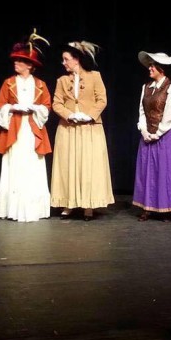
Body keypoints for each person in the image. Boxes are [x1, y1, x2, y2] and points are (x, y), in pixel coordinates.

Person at [0, 29, 52, 222]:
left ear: (29, 65)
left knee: (32, 164)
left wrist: (34, 108)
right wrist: (13, 107)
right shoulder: (8, 83)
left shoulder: (41, 85)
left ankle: (34, 208)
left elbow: (47, 106)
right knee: (15, 164)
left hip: (32, 128)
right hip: (15, 128)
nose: (16, 64)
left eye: (19, 61)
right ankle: (13, 208)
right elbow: (1, 104)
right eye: (15, 61)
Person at [50, 41, 114, 220]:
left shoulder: (95, 76)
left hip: (90, 129)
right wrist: (69, 115)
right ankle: (69, 203)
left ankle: (88, 206)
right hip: (68, 128)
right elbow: (56, 103)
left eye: (66, 59)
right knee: (68, 165)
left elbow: (102, 100)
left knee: (88, 166)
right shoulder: (62, 80)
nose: (63, 63)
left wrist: (89, 115)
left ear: (76, 59)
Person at [132, 51, 171, 221]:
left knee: (165, 171)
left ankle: (166, 208)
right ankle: (147, 206)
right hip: (148, 134)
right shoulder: (146, 87)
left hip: (167, 135)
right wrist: (144, 130)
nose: (149, 68)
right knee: (147, 171)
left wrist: (157, 133)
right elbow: (142, 111)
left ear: (161, 68)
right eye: (149, 65)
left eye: (152, 65)